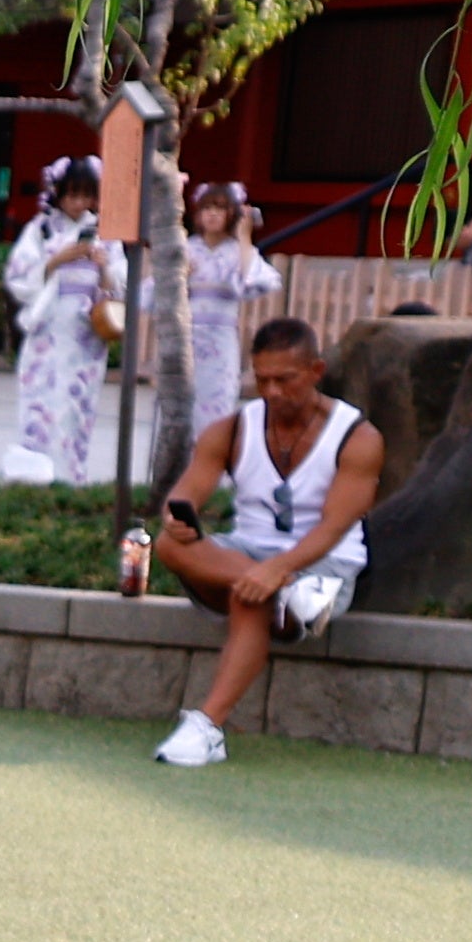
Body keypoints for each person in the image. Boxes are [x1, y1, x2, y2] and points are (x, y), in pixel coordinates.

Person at [139, 316, 377, 767]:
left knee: (250, 597)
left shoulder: (359, 437)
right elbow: (186, 492)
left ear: (316, 371)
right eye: (261, 379)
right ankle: (286, 594)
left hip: (324, 568)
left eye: (284, 380)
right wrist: (177, 517)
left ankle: (208, 727)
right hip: (253, 557)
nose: (270, 391)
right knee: (170, 548)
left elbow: (335, 527)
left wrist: (279, 570)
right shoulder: (231, 429)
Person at [0, 158, 118, 482]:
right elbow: (18, 278)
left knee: (76, 408)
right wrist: (56, 261)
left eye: (86, 196)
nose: (79, 203)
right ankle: (32, 477)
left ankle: (70, 477)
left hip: (84, 334)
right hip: (48, 329)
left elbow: (117, 287)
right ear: (58, 194)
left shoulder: (104, 233)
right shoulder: (42, 229)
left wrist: (104, 267)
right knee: (39, 402)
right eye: (72, 195)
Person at [171, 182, 279, 436]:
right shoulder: (186, 249)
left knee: (217, 403)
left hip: (220, 339)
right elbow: (156, 293)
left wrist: (244, 236)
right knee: (180, 404)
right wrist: (181, 278)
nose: (212, 214)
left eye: (220, 209)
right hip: (185, 336)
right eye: (207, 208)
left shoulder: (237, 251)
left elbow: (255, 280)